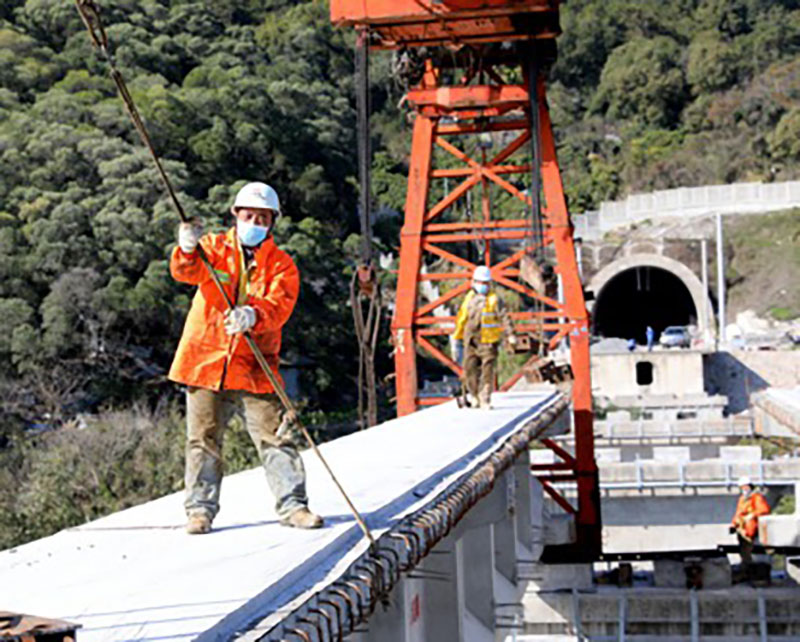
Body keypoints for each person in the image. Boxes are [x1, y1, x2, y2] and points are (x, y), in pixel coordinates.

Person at [169, 181, 323, 534]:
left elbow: (279, 304)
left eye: (262, 217)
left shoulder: (282, 265)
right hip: (206, 359)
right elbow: (185, 272)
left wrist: (253, 314)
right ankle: (199, 511)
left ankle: (294, 507)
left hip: (254, 363)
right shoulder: (213, 249)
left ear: (272, 223)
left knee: (276, 436)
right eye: (249, 215)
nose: (254, 222)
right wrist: (186, 248)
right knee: (202, 438)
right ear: (235, 215)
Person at [452, 266, 516, 409]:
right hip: (471, 341)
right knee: (470, 370)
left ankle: (485, 398)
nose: (483, 286)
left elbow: (504, 317)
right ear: (473, 282)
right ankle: (474, 396)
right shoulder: (469, 298)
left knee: (487, 371)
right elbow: (462, 318)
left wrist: (510, 334)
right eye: (480, 282)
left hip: (488, 342)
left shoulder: (494, 300)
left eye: (485, 283)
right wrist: (456, 339)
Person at [729, 476, 771, 566]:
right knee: (743, 546)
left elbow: (763, 510)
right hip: (743, 528)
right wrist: (733, 524)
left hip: (753, 528)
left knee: (749, 546)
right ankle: (746, 562)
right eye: (742, 488)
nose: (744, 489)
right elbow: (738, 513)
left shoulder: (756, 497)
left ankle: (751, 564)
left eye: (745, 487)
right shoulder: (742, 499)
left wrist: (752, 515)